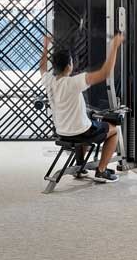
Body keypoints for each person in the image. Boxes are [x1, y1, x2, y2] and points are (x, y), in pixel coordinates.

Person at [40, 33, 124, 183]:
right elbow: (105, 73)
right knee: (114, 130)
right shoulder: (73, 82)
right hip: (80, 132)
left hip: (62, 132)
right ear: (69, 66)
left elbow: (42, 67)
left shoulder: (49, 81)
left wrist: (45, 47)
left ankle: (80, 165)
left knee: (86, 123)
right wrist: (114, 47)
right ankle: (102, 170)